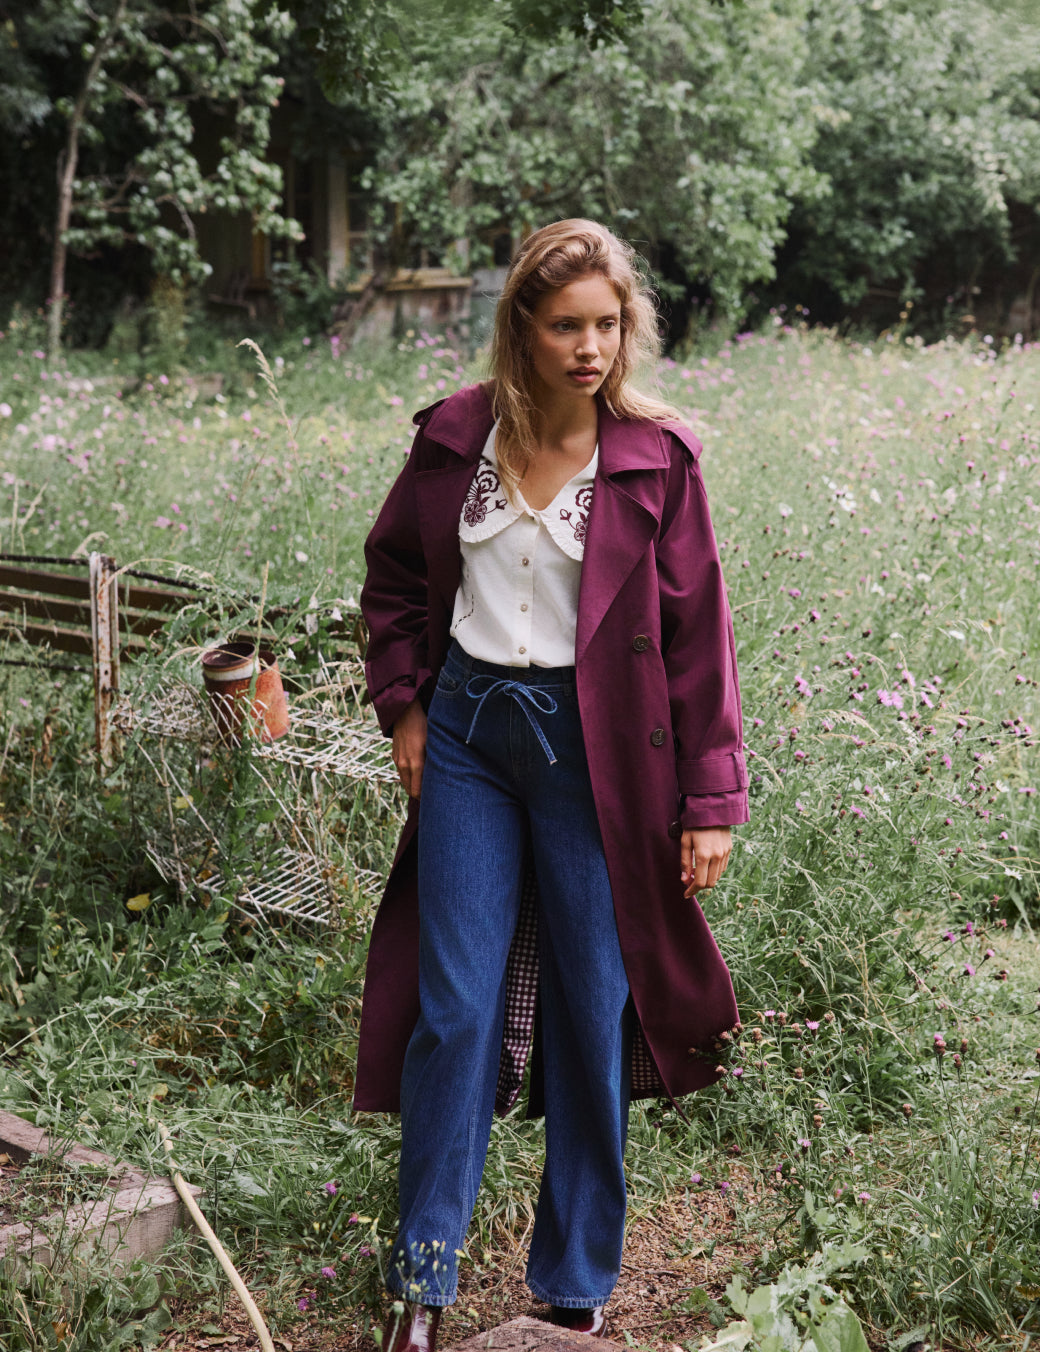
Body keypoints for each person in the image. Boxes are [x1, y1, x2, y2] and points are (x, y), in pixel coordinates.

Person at [356, 219, 748, 1352]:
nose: (590, 346)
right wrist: (408, 708)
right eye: (566, 324)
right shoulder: (452, 437)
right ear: (521, 328)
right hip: (473, 735)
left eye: (607, 324)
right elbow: (391, 578)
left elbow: (696, 639)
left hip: (599, 754)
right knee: (457, 1004)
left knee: (591, 1007)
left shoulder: (654, 459)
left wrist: (711, 798)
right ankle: (420, 1283)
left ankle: (569, 1284)